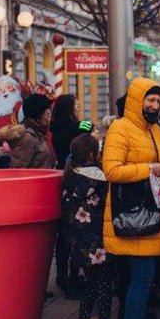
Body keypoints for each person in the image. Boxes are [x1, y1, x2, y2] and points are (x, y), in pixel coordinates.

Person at [102, 78, 160, 319]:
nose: (154, 105)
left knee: (144, 279)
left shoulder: (156, 129)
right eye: (150, 100)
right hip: (134, 215)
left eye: (158, 101)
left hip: (152, 212)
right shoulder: (121, 128)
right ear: (137, 100)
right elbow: (111, 170)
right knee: (142, 278)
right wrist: (148, 168)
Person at [63, 134, 114, 319]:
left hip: (79, 243)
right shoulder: (102, 178)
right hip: (100, 240)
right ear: (93, 154)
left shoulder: (69, 178)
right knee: (105, 286)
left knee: (90, 286)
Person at [50, 94, 93, 299]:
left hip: (64, 177)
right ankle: (69, 277)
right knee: (72, 233)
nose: (79, 108)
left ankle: (64, 275)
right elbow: (88, 125)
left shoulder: (56, 128)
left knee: (66, 234)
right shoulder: (73, 128)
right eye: (76, 106)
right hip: (72, 178)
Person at [9, 94, 57, 169]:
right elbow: (17, 170)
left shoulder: (40, 133)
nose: (50, 116)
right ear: (38, 115)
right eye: (47, 113)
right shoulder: (29, 137)